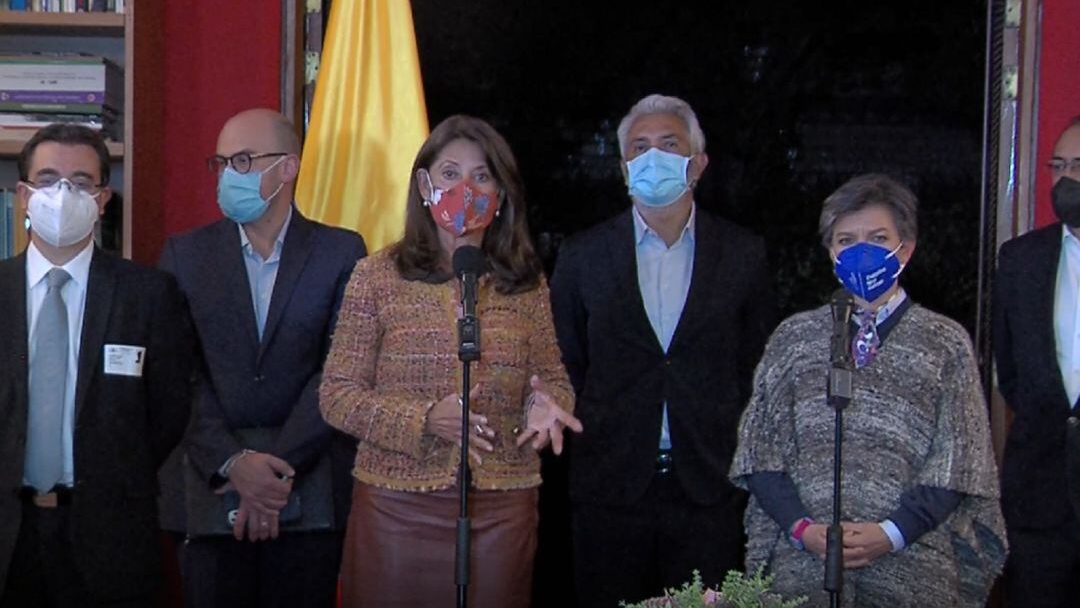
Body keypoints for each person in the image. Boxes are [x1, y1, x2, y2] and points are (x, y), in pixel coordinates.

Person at [319, 114, 581, 608]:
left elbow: (552, 378)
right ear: (424, 184)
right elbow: (337, 396)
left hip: (503, 507)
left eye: (482, 176)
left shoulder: (525, 284)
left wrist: (546, 405)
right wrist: (423, 420)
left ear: (501, 194)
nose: (467, 188)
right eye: (450, 174)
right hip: (398, 509)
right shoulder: (377, 276)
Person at [730, 173, 1007, 607]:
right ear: (830, 252)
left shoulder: (944, 341)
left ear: (906, 248)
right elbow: (760, 452)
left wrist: (892, 533)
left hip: (913, 566)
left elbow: (960, 459)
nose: (861, 251)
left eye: (878, 238)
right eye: (846, 240)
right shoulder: (794, 339)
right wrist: (802, 528)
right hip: (805, 566)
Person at [549, 94, 776, 607]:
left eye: (668, 144)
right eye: (639, 147)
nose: (653, 157)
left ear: (697, 163)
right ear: (624, 167)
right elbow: (564, 362)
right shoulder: (583, 256)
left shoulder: (743, 254)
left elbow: (756, 367)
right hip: (610, 487)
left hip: (709, 488)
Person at [158, 108, 366, 608]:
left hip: (311, 488)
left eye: (245, 160)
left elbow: (341, 368)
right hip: (209, 489)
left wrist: (273, 472)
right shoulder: (185, 255)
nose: (230, 174)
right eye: (222, 162)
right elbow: (178, 374)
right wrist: (234, 464)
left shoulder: (340, 251)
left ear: (288, 168)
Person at [0, 124, 195, 607]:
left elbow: (169, 412)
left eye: (81, 182)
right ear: (23, 194)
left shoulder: (147, 295)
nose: (63, 194)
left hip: (111, 539)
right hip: (7, 536)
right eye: (47, 180)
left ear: (103, 199)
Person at [995, 116, 1080, 607]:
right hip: (1039, 503)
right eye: (1058, 165)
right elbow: (1011, 371)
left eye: (1078, 165)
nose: (1066, 179)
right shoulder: (1021, 260)